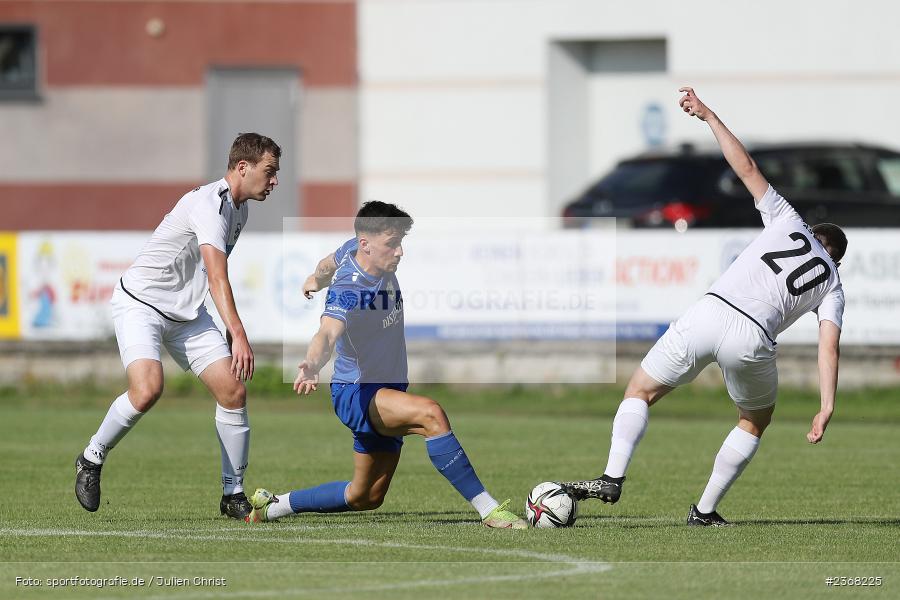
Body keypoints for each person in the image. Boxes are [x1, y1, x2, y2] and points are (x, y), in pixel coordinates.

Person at [562, 87, 847, 526]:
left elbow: (746, 166)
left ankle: (611, 477)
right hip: (753, 337)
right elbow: (828, 349)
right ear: (837, 257)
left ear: (811, 231)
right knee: (754, 420)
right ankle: (704, 510)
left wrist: (710, 116)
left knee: (640, 390)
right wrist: (826, 405)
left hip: (710, 311)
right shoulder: (833, 282)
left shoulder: (788, 218)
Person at [245, 201, 527, 529]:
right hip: (358, 394)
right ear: (367, 244)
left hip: (386, 390)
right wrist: (312, 363)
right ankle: (489, 511)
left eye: (401, 242)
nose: (400, 252)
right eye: (392, 244)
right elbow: (327, 332)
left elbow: (326, 263)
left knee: (365, 497)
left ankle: (275, 506)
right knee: (431, 415)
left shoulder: (355, 246)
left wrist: (314, 278)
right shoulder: (351, 289)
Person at [74, 133, 282, 519]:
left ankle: (232, 495)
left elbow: (208, 273)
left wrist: (222, 324)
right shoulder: (208, 205)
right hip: (142, 305)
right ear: (243, 167)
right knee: (148, 389)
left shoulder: (240, 210)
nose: (274, 181)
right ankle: (91, 457)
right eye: (269, 172)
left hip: (187, 315)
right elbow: (218, 277)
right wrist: (237, 332)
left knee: (233, 391)